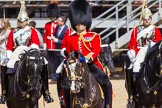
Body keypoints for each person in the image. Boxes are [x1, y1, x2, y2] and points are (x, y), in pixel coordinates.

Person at [60, 0, 112, 108]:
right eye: (78, 24)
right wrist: (67, 56)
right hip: (75, 66)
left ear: (86, 23)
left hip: (91, 65)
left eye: (82, 23)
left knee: (106, 82)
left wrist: (88, 59)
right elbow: (66, 50)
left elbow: (96, 49)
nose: (80, 26)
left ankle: (108, 105)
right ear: (75, 24)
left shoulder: (94, 36)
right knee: (65, 85)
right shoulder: (70, 38)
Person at [0, 1, 53, 104]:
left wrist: (33, 50)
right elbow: (9, 45)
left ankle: (46, 92)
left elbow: (35, 43)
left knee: (44, 62)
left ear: (27, 21)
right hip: (16, 54)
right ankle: (4, 93)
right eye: (20, 21)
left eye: (23, 21)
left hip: (29, 53)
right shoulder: (13, 32)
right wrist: (9, 54)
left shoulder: (31, 30)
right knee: (4, 64)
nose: (21, 23)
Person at [126, 7, 162, 105]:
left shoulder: (155, 30)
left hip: (152, 52)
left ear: (151, 19)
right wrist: (132, 56)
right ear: (142, 19)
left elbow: (158, 44)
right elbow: (132, 45)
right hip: (139, 52)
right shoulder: (136, 30)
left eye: (148, 19)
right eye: (145, 19)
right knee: (133, 68)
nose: (147, 21)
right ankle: (132, 95)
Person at [43, 3, 60, 80]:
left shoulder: (59, 24)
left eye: (52, 16)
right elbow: (45, 35)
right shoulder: (47, 25)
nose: (51, 18)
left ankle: (57, 76)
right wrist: (45, 45)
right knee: (51, 63)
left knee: (57, 62)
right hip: (49, 47)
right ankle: (53, 76)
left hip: (57, 47)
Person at [50, 15, 68, 83]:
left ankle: (62, 78)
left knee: (62, 65)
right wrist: (53, 37)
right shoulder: (57, 27)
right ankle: (54, 78)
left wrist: (57, 41)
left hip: (62, 50)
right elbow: (55, 35)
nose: (57, 21)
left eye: (59, 20)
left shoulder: (66, 29)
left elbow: (66, 41)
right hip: (56, 49)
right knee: (55, 64)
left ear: (63, 22)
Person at [0, 19, 11, 104]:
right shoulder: (3, 31)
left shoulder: (8, 31)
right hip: (1, 53)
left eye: (2, 23)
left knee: (4, 74)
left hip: (5, 54)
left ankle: (4, 93)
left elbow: (1, 39)